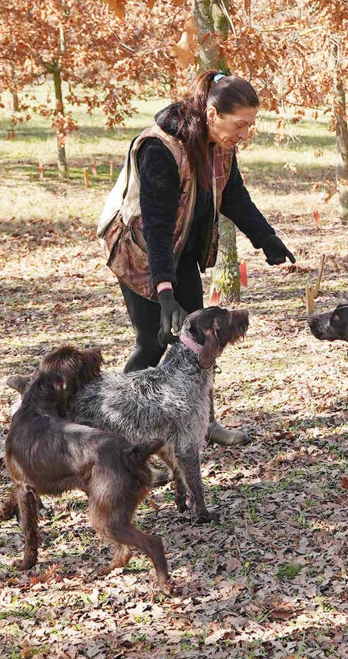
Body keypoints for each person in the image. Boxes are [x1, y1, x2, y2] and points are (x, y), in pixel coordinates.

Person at [98, 70, 295, 445]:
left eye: (250, 126)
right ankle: (116, 439)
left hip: (182, 251)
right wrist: (165, 292)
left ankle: (201, 424)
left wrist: (266, 239)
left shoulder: (221, 145)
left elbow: (233, 194)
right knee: (154, 343)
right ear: (211, 115)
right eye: (240, 125)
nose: (244, 134)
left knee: (199, 339)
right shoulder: (160, 149)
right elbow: (156, 227)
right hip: (141, 253)